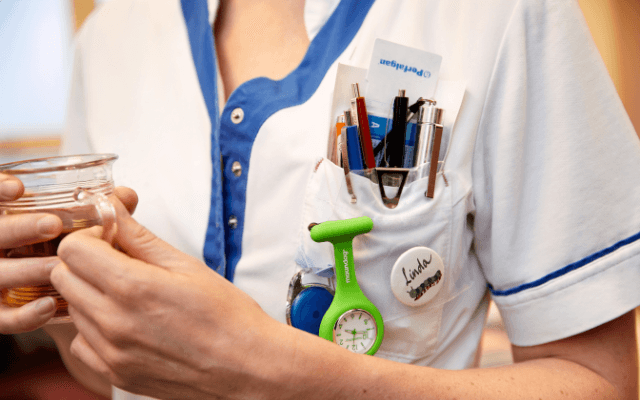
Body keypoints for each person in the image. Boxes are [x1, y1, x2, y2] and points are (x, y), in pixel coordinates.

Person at [1, 0, 640, 398]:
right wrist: (50, 294)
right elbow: (109, 371)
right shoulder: (108, 36)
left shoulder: (501, 13)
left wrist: (271, 371)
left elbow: (598, 382)